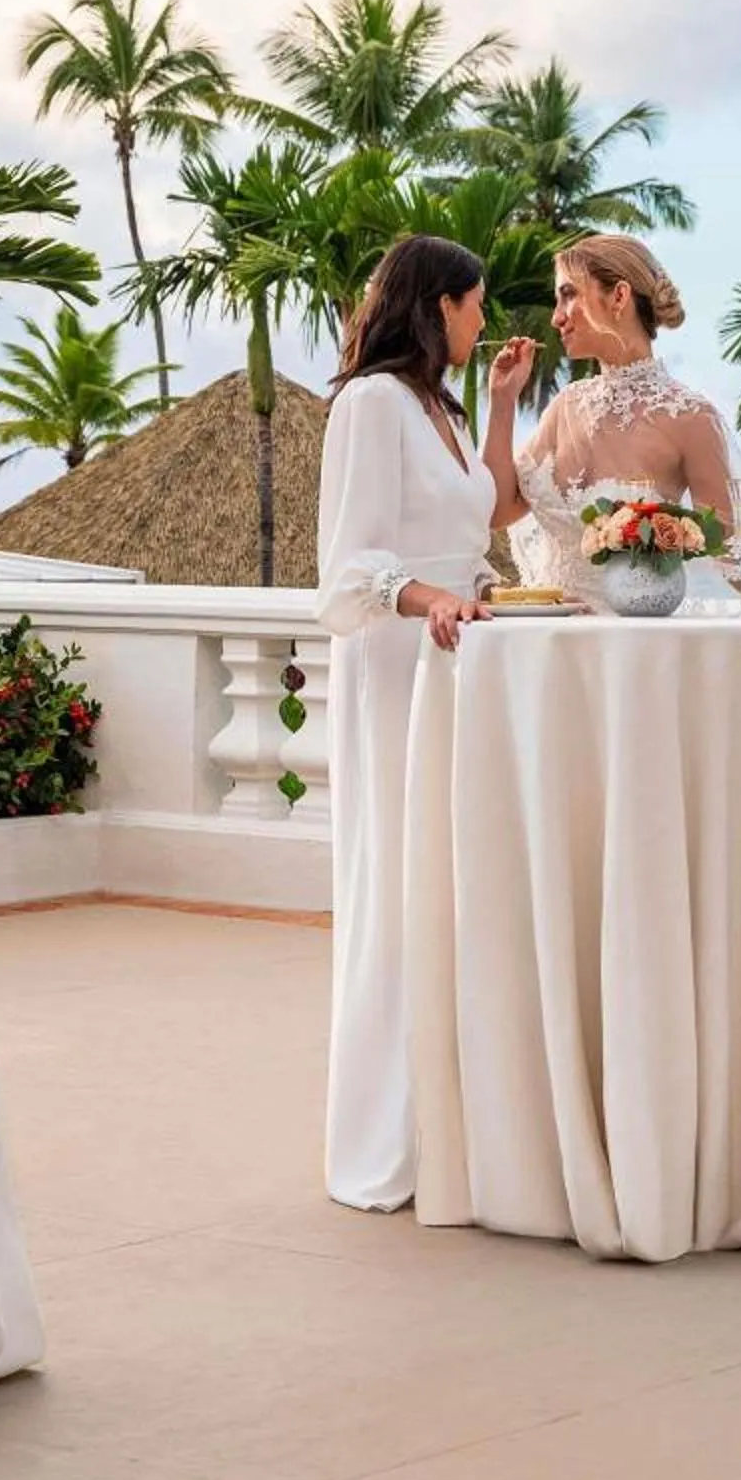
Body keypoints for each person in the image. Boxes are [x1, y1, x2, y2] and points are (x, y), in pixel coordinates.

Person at [312, 235, 506, 1211]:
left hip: (455, 667)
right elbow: (347, 571)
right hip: (395, 669)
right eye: (476, 304)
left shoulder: (447, 412)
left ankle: (461, 1128)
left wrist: (504, 405)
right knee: (399, 880)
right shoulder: (371, 403)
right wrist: (429, 596)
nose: (485, 320)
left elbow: (478, 524)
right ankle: (387, 1138)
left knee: (453, 887)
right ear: (437, 306)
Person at [485, 234, 741, 620]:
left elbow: (732, 550)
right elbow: (497, 512)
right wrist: (502, 402)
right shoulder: (564, 407)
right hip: (548, 639)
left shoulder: (691, 418)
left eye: (568, 295)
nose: (556, 317)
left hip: (632, 643)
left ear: (619, 296)